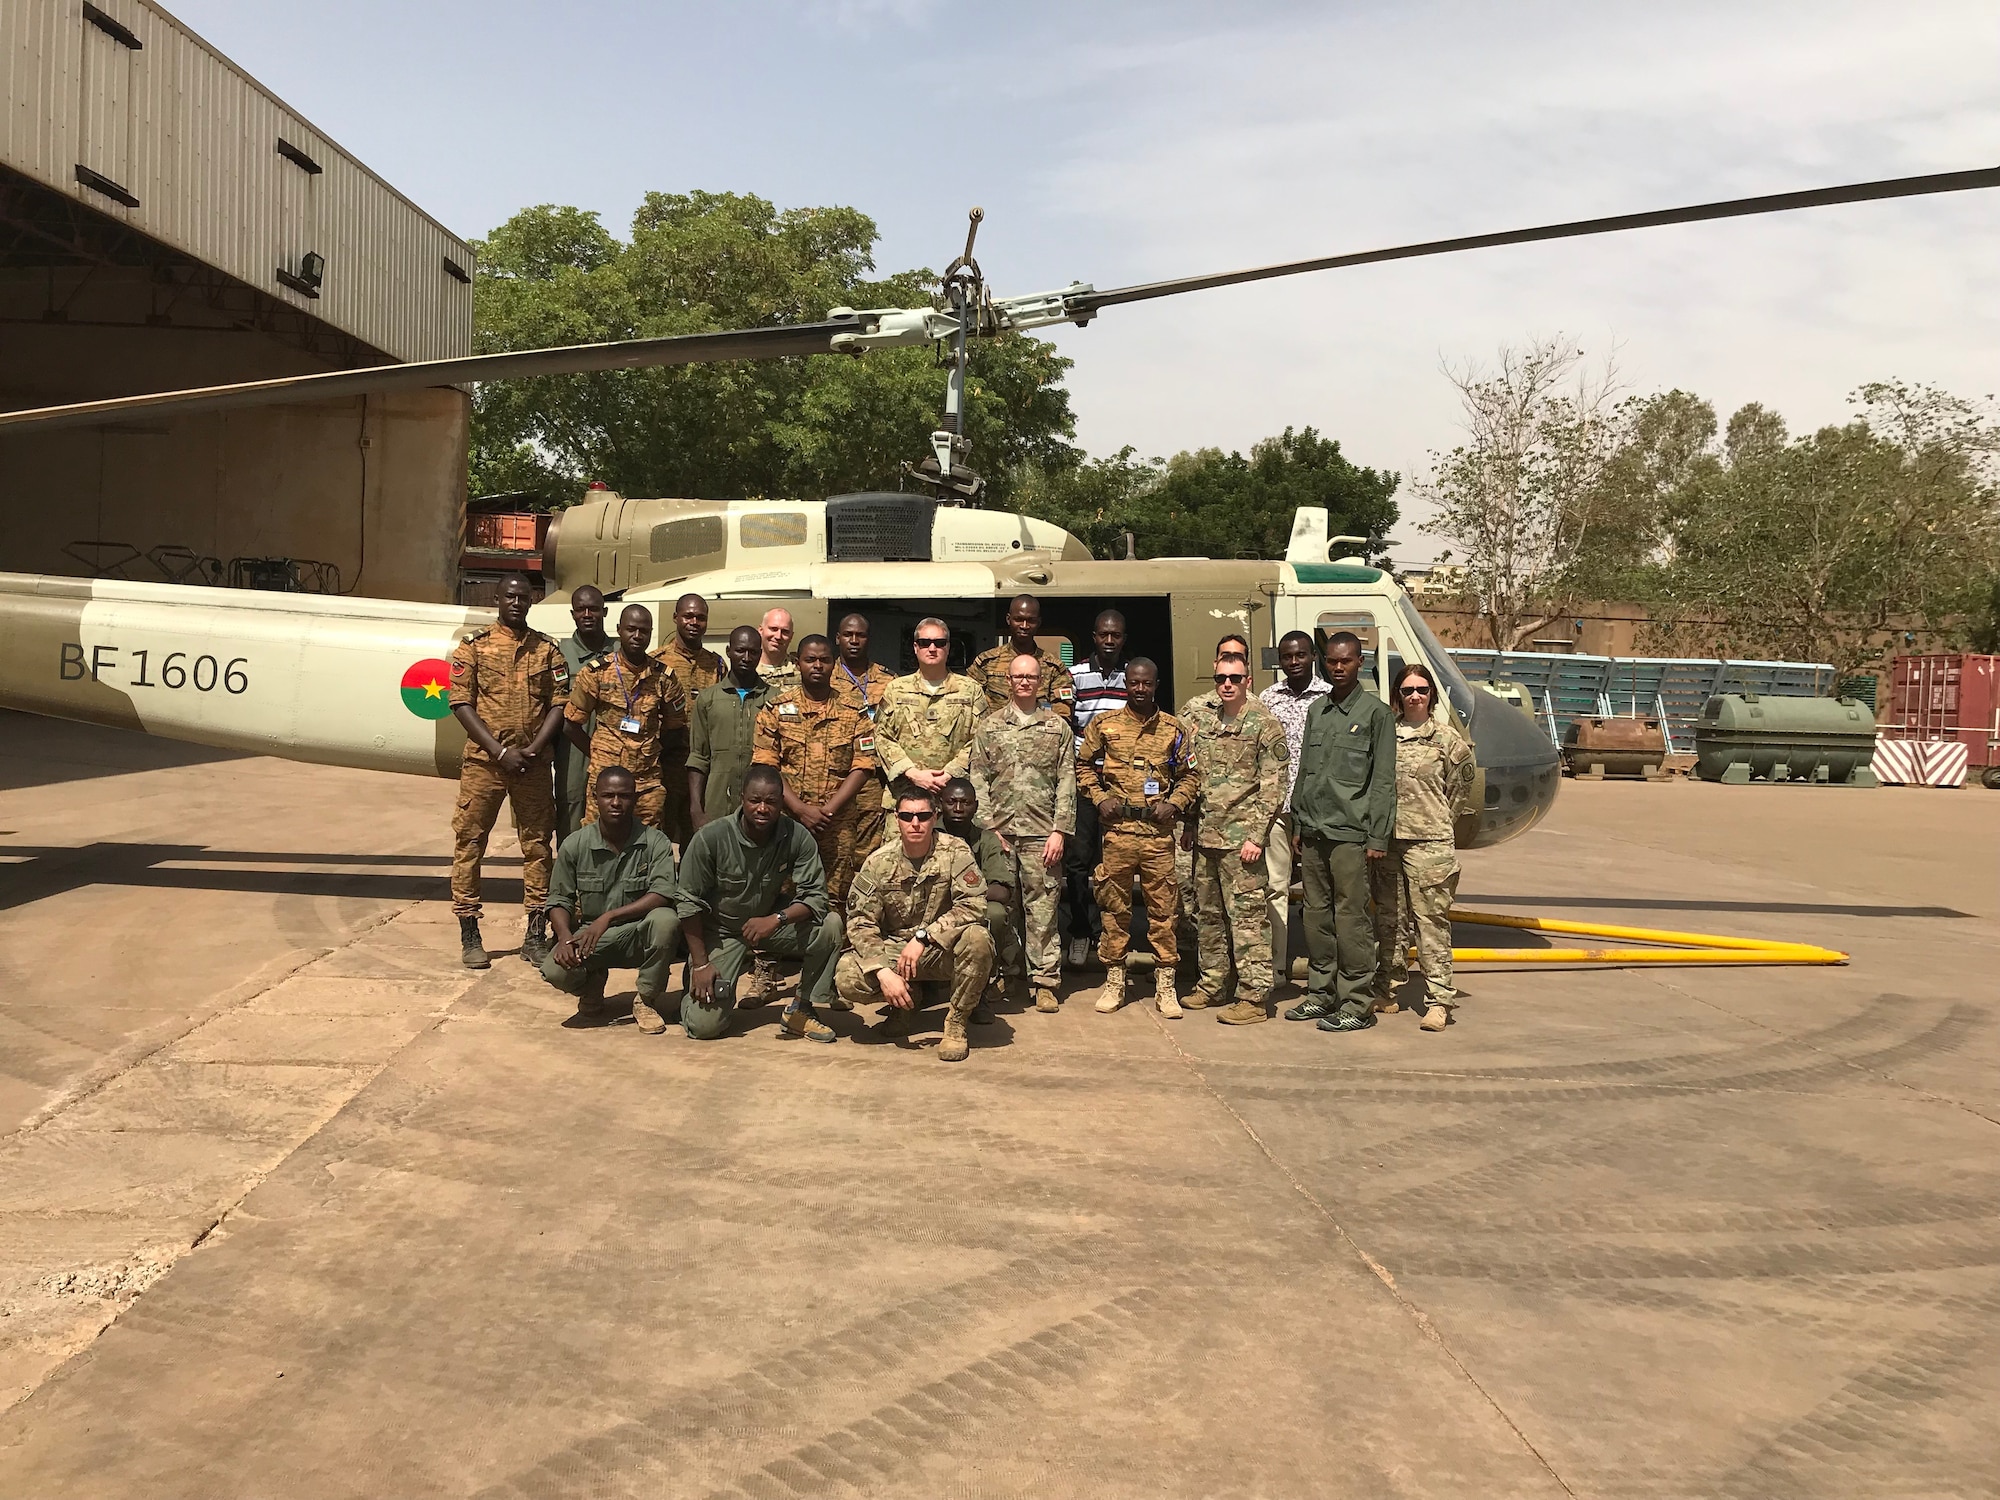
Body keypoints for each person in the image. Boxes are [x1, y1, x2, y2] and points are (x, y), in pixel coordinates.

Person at [448, 574, 567, 971]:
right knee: (470, 843)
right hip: (485, 764)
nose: (516, 602)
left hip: (531, 765)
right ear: (497, 599)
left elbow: (558, 703)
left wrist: (532, 750)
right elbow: (461, 703)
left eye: (523, 597)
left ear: (532, 601)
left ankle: (534, 935)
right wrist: (498, 751)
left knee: (537, 846)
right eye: (509, 596)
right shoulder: (474, 647)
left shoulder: (547, 650)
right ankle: (470, 934)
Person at [675, 764, 842, 1042]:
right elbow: (687, 903)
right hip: (720, 933)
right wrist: (702, 964)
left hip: (768, 925)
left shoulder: (796, 835)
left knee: (830, 925)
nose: (762, 808)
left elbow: (815, 897)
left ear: (781, 804)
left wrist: (777, 919)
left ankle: (801, 1009)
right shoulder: (711, 838)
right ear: (742, 798)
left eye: (771, 802)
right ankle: (694, 982)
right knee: (704, 1027)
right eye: (755, 800)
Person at [1286, 631, 1396, 1033]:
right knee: (1315, 917)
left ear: (1359, 661)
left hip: (1352, 834)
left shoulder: (1375, 714)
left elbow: (1383, 781)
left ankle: (1357, 1002)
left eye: (1345, 661)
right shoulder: (1318, 710)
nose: (1337, 667)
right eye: (1331, 661)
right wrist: (1298, 820)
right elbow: (1304, 771)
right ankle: (1320, 994)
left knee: (1350, 920)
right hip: (1313, 831)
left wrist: (1378, 837)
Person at [835, 788, 995, 1063]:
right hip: (897, 953)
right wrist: (884, 972)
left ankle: (956, 1023)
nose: (915, 823)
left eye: (923, 815)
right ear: (897, 818)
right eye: (907, 816)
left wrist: (925, 937)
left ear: (935, 816)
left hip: (940, 950)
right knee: (847, 976)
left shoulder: (955, 851)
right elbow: (861, 921)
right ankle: (906, 1001)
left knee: (978, 939)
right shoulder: (879, 862)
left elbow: (974, 904)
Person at [1078, 657, 1200, 1017]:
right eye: (1134, 683)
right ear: (1126, 684)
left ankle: (1166, 984)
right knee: (1114, 909)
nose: (1140, 689)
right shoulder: (1105, 725)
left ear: (1156, 684)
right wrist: (1100, 798)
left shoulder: (1174, 729)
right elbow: (1083, 765)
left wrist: (1175, 804)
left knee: (1164, 911)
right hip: (1117, 833)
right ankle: (1115, 979)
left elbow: (1191, 776)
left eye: (1147, 683)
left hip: (1158, 835)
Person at [1181, 650, 1289, 1023]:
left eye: (1235, 678)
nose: (1227, 684)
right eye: (1222, 678)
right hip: (1208, 838)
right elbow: (1198, 782)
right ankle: (1213, 984)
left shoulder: (1264, 725)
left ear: (1248, 681)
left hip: (1242, 840)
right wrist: (1192, 825)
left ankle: (1254, 997)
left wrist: (1256, 837)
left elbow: (1273, 787)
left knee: (1246, 919)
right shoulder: (1206, 722)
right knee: (1208, 916)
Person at [968, 654, 1076, 1013]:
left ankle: (1044, 980)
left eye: (1031, 676)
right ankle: (1003, 974)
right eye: (1018, 677)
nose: (1025, 682)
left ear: (1041, 681)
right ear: (1009, 681)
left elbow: (1066, 782)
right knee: (1001, 906)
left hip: (1041, 832)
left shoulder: (1057, 727)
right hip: (999, 831)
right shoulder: (990, 726)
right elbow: (978, 778)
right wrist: (987, 827)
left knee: (1043, 907)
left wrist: (1060, 830)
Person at [1373, 662, 1477, 1032]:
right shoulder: (1386, 735)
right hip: (1389, 843)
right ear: (1397, 697)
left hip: (1430, 845)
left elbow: (1459, 791)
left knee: (1431, 925)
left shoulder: (1448, 741)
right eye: (1407, 690)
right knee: (1390, 922)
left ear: (1431, 695)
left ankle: (1438, 1001)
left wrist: (1435, 824)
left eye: (1421, 690)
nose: (1414, 696)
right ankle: (1388, 988)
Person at [539, 766, 682, 1033]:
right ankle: (591, 984)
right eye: (608, 796)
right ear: (595, 798)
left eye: (624, 796)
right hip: (592, 937)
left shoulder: (655, 842)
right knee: (554, 970)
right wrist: (563, 938)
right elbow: (559, 899)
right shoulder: (575, 844)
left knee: (666, 921)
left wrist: (609, 917)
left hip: (637, 933)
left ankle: (646, 1000)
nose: (616, 803)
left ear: (635, 798)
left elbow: (663, 893)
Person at [752, 634, 878, 913]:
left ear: (834, 664)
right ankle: (776, 953)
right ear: (798, 663)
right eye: (810, 660)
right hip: (787, 820)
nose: (817, 666)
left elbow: (863, 765)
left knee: (834, 895)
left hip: (837, 824)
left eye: (824, 660)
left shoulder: (854, 711)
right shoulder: (775, 709)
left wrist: (827, 811)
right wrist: (799, 808)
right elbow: (766, 766)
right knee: (782, 890)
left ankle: (828, 951)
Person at [562, 603, 685, 831]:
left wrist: (651, 752)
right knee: (597, 840)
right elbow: (571, 725)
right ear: (619, 630)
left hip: (647, 781)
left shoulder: (664, 677)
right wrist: (599, 754)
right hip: (605, 781)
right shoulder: (597, 673)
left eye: (644, 631)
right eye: (631, 629)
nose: (637, 636)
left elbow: (675, 728)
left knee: (649, 844)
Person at [1257, 630, 1331, 989]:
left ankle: (1325, 974)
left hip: (1318, 810)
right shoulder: (1268, 698)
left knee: (1320, 892)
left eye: (1300, 655)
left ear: (1313, 656)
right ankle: (1276, 970)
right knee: (1276, 887)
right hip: (1277, 808)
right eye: (1287, 656)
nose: (1293, 662)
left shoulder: (1331, 699)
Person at [874, 615, 987, 824]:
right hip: (906, 805)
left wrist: (950, 773)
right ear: (915, 647)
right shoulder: (896, 689)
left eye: (939, 643)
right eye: (925, 643)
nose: (932, 648)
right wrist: (913, 773)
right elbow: (882, 737)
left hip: (954, 804)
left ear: (948, 647)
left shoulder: (971, 691)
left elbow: (981, 740)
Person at [1064, 609, 1127, 969]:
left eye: (1115, 635)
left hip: (1120, 784)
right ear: (1094, 636)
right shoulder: (1075, 677)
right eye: (1103, 634)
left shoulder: (1132, 676)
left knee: (1114, 863)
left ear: (1123, 639)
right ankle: (1080, 931)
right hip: (1084, 779)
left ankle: (1111, 932)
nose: (1109, 640)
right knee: (1078, 862)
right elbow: (1067, 724)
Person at [938, 777, 1022, 1022]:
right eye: (951, 801)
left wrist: (963, 896)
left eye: (965, 802)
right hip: (929, 908)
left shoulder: (986, 840)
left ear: (975, 807)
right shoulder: (927, 832)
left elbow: (1003, 890)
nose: (958, 808)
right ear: (939, 803)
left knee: (996, 913)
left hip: (969, 908)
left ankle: (979, 991)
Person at [650, 593, 724, 850]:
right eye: (688, 616)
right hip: (665, 764)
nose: (694, 622)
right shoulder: (655, 661)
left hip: (702, 768)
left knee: (697, 839)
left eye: (700, 617)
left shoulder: (715, 664)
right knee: (660, 836)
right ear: (675, 618)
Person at [687, 625, 773, 831]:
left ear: (760, 654)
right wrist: (696, 809)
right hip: (717, 805)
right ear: (728, 652)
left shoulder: (775, 699)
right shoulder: (708, 699)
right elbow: (698, 758)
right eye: (740, 650)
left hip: (762, 809)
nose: (746, 657)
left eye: (752, 652)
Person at [831, 611, 895, 860]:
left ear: (869, 639)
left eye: (860, 635)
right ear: (838, 638)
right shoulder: (825, 677)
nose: (854, 640)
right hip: (837, 776)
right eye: (848, 635)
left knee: (869, 850)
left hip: (874, 780)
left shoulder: (889, 680)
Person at [553, 585, 611, 842]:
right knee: (572, 805)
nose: (587, 614)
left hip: (615, 748)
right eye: (581, 609)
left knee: (614, 812)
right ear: (572, 614)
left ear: (605, 612)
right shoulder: (558, 654)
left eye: (594, 609)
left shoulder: (623, 651)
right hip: (573, 750)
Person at [969, 594, 1075, 724]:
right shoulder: (987, 662)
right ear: (1009, 619)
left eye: (1031, 620)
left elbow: (1062, 710)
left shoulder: (1053, 667)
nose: (1024, 626)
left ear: (1038, 622)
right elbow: (969, 701)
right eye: (1018, 619)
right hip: (994, 735)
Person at [757, 607, 798, 692]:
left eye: (785, 631)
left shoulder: (801, 670)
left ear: (791, 636)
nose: (778, 636)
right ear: (761, 630)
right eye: (773, 629)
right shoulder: (748, 669)